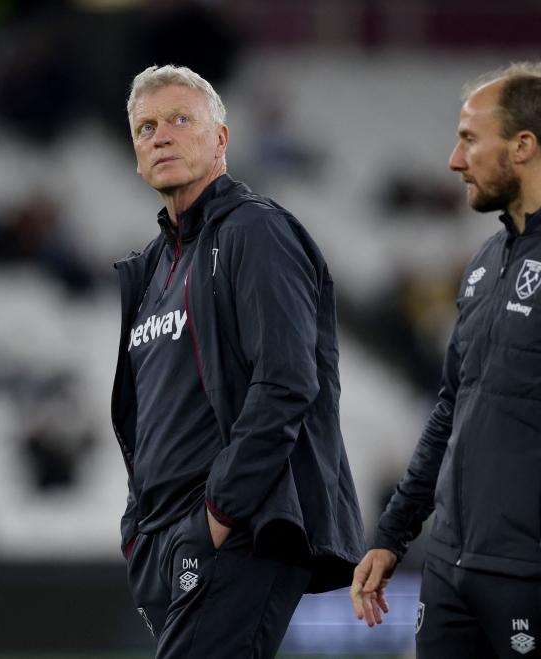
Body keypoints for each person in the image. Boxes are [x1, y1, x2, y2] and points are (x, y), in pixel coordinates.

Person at [350, 62, 541, 659]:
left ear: (522, 146)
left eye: (468, 138)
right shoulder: (487, 260)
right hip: (450, 569)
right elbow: (449, 410)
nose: (453, 160)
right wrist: (392, 535)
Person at [111, 64, 365, 659]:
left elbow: (286, 383)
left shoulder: (257, 231)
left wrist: (217, 516)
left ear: (221, 139)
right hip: (163, 544)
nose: (161, 136)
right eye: (146, 128)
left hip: (239, 528)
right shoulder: (151, 267)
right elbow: (146, 413)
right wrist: (138, 533)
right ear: (136, 154)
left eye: (180, 120)